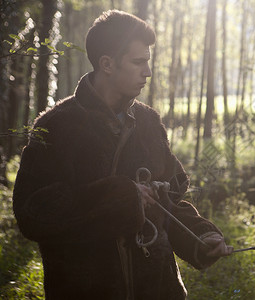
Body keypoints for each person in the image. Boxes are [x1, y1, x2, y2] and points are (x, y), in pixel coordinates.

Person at [13, 10, 233, 300]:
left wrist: (200, 236)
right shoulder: (56, 127)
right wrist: (120, 196)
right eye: (138, 62)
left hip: (158, 290)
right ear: (107, 63)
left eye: (148, 62)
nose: (148, 72)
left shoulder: (149, 123)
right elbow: (33, 212)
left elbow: (172, 201)